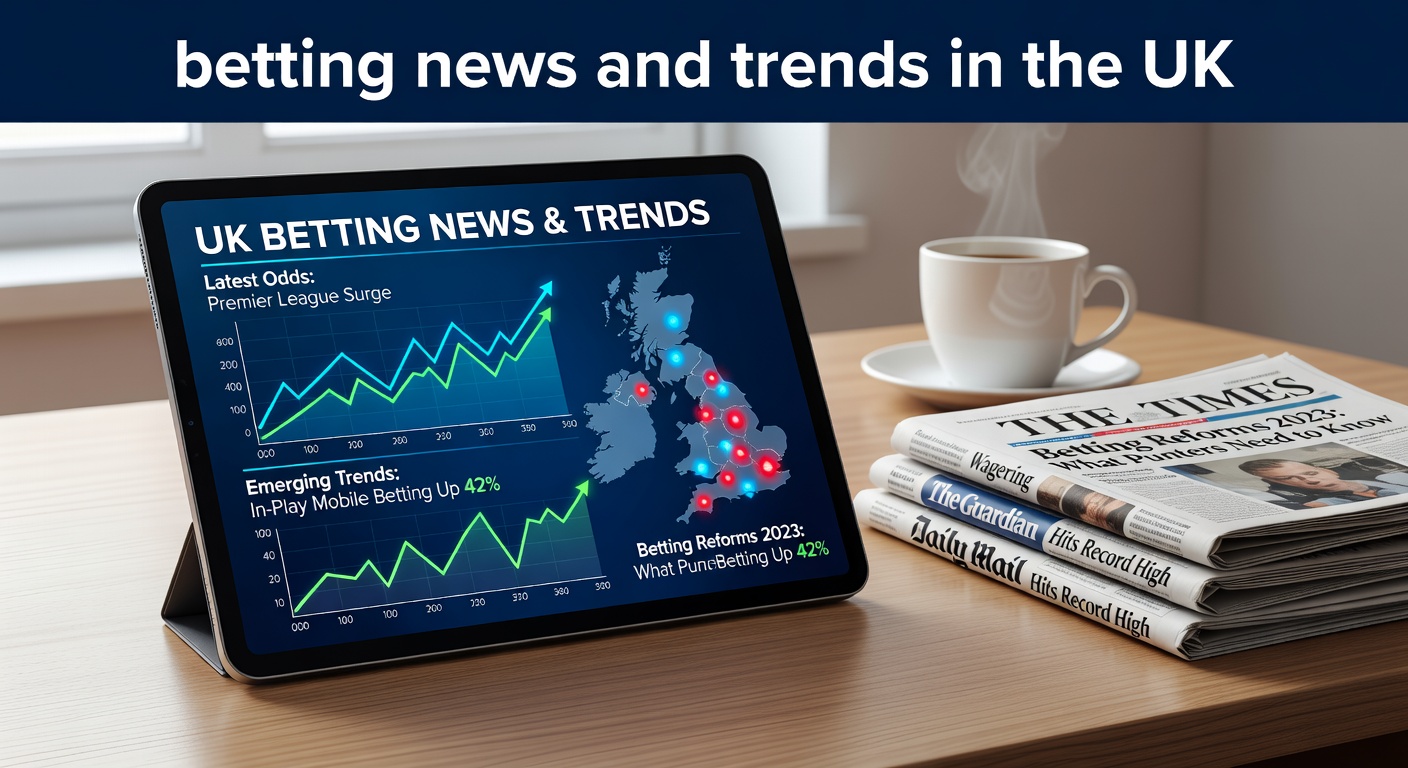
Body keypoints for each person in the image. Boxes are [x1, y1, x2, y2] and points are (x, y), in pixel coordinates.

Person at [1238, 458, 1408, 508]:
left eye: (1311, 473)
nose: (1312, 480)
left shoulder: (1395, 477)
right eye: (1289, 478)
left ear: (1329, 471)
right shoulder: (1324, 504)